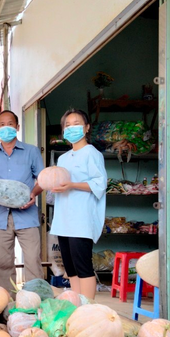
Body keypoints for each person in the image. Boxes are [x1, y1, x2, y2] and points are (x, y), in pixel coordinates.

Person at [0, 109, 44, 295]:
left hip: (27, 215)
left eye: (10, 123)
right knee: (2, 263)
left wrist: (33, 194)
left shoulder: (31, 152)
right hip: (0, 216)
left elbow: (42, 180)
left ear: (17, 127)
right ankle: (7, 303)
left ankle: (34, 301)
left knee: (32, 260)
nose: (6, 127)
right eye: (1, 124)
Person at [50, 109, 107, 300]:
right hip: (64, 220)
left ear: (87, 127)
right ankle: (76, 304)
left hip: (81, 220)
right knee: (71, 267)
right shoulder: (63, 158)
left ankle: (88, 308)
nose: (71, 128)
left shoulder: (92, 153)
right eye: (67, 125)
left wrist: (72, 184)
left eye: (76, 123)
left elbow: (100, 184)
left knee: (83, 266)